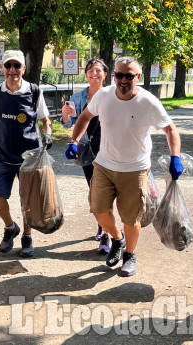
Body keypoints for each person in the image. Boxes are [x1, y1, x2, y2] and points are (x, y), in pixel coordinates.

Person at [65, 56, 183, 278]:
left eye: (130, 76)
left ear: (138, 77)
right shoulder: (104, 95)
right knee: (98, 210)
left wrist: (175, 156)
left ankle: (129, 255)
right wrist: (74, 141)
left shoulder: (148, 102)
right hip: (104, 164)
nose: (124, 80)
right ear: (114, 76)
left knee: (131, 219)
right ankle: (117, 239)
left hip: (135, 169)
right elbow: (85, 117)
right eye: (119, 75)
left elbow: (170, 130)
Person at [0, 50, 52, 258]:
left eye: (16, 66)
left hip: (30, 158)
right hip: (2, 156)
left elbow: (46, 121)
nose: (12, 70)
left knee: (28, 200)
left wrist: (47, 136)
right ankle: (10, 227)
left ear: (23, 69)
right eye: (8, 66)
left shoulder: (34, 91)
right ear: (2, 69)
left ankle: (27, 237)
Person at [61, 58, 110, 253]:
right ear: (86, 74)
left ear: (105, 74)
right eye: (90, 70)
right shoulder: (78, 97)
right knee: (94, 191)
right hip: (87, 150)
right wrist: (65, 114)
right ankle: (103, 221)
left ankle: (107, 232)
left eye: (98, 70)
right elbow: (67, 124)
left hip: (110, 149)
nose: (94, 73)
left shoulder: (114, 95)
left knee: (107, 192)